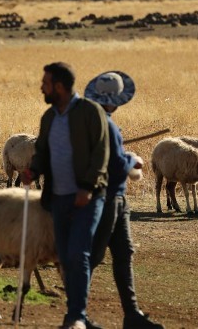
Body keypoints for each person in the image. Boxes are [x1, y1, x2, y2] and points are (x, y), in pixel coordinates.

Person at [22, 62, 109, 329]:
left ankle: (76, 317)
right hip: (57, 199)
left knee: (78, 254)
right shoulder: (49, 117)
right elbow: (43, 152)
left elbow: (100, 153)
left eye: (45, 83)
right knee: (63, 256)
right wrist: (33, 170)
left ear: (59, 87)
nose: (42, 87)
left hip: (86, 197)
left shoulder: (90, 112)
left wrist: (86, 188)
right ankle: (76, 314)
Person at [84, 71, 164, 329]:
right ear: (115, 99)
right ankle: (77, 314)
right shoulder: (104, 124)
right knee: (94, 255)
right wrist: (133, 160)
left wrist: (123, 156)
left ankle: (132, 314)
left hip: (116, 198)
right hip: (106, 198)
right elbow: (117, 166)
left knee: (123, 253)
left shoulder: (96, 121)